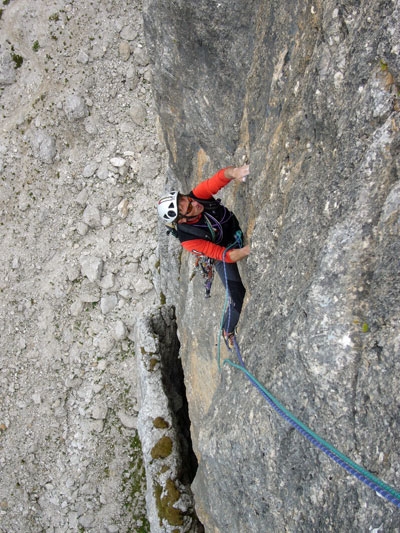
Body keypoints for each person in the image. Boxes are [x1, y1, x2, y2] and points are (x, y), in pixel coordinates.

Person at [157, 164, 250, 350]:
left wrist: (236, 172)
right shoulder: (189, 240)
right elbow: (223, 255)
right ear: (182, 220)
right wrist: (249, 250)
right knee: (236, 295)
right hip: (221, 251)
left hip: (233, 230)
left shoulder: (197, 196)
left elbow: (218, 179)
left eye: (187, 199)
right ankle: (227, 330)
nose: (194, 204)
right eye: (189, 208)